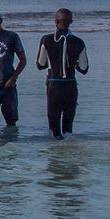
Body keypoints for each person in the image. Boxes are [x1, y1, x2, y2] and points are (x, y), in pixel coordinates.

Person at [37, 8, 90, 137]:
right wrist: (72, 63)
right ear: (71, 22)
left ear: (56, 21)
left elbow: (40, 64)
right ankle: (68, 154)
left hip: (54, 86)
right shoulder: (79, 42)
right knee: (68, 128)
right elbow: (84, 69)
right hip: (70, 86)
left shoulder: (46, 40)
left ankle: (55, 155)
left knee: (53, 127)